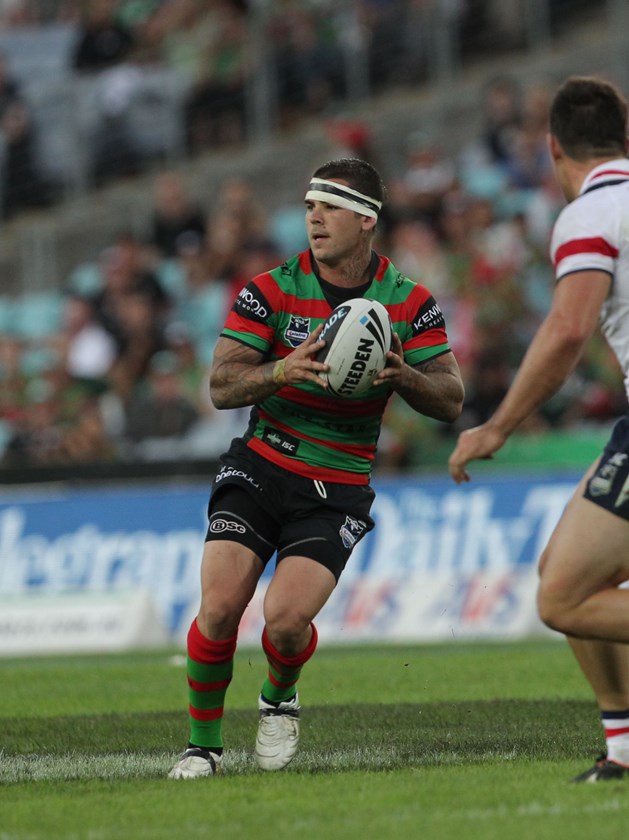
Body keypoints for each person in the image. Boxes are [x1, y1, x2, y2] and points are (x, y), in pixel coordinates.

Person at [168, 157, 464, 779]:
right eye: (308, 207)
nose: (314, 219)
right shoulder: (270, 289)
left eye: (328, 207)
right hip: (260, 464)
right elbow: (220, 386)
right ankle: (202, 748)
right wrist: (281, 370)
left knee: (286, 621)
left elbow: (451, 398)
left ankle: (278, 695)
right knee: (220, 607)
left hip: (337, 485)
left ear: (365, 220)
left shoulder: (409, 303)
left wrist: (403, 373)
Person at [448, 75, 629, 783]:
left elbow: (566, 331)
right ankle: (621, 747)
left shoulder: (591, 215)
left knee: (561, 595)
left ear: (552, 149)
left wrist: (496, 427)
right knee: (570, 569)